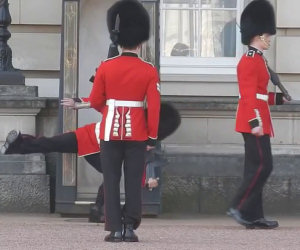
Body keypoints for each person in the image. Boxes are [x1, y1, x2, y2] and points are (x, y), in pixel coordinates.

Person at [88, 0, 161, 242]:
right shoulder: (149, 70)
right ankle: (130, 227)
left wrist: (109, 112)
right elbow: (155, 106)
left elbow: (95, 100)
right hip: (138, 133)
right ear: (140, 40)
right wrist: (152, 135)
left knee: (110, 179)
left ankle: (114, 228)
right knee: (132, 181)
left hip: (109, 131)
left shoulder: (106, 67)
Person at [227, 0, 285, 229]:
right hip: (253, 121)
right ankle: (239, 206)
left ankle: (254, 215)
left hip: (259, 118)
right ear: (259, 35)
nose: (269, 39)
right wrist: (255, 123)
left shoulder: (259, 60)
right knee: (263, 166)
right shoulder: (249, 61)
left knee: (256, 167)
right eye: (267, 35)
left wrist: (279, 99)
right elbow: (248, 95)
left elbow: (261, 95)